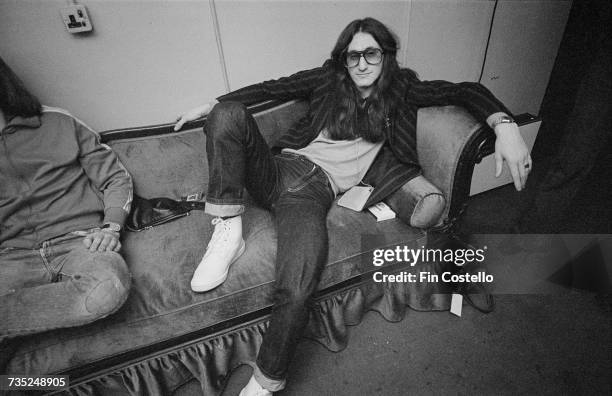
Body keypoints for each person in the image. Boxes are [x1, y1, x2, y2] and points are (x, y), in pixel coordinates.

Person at [174, 18, 530, 395]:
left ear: (386, 56)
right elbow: (271, 87)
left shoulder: (403, 90)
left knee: (298, 284)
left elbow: (464, 90)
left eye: (371, 54)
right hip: (278, 170)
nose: (361, 63)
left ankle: (265, 381)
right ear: (343, 59)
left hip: (310, 194)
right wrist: (213, 104)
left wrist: (505, 127)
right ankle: (229, 227)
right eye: (353, 55)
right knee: (228, 113)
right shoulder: (328, 80)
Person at [0, 57, 133, 369]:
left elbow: (116, 178)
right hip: (10, 257)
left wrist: (111, 227)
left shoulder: (58, 121)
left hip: (80, 243)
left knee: (107, 288)